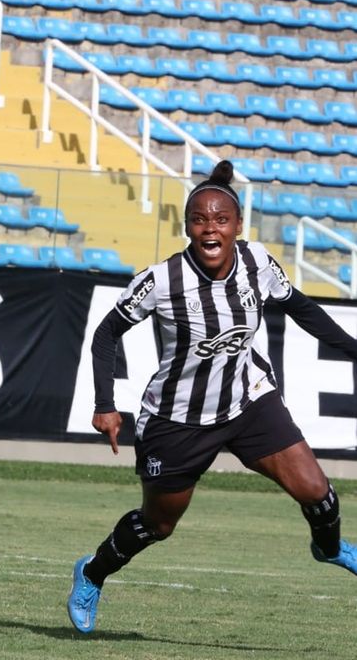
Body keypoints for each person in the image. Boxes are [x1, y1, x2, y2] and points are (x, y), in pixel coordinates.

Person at [67, 159, 357, 634]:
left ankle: (328, 549)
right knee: (158, 525)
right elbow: (105, 334)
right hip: (176, 419)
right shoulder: (161, 280)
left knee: (319, 494)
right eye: (199, 220)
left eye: (221, 220)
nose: (210, 229)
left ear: (237, 226)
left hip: (248, 402)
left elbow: (301, 309)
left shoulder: (258, 262)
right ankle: (92, 573)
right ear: (187, 227)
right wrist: (105, 404)